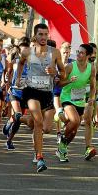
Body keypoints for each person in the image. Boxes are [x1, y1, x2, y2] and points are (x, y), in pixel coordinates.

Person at [16, 23, 65, 172]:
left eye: (46, 34)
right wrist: (18, 78)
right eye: (40, 34)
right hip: (31, 91)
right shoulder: (27, 52)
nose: (43, 37)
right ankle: (40, 157)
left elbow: (63, 74)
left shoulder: (55, 52)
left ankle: (19, 118)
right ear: (35, 36)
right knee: (38, 122)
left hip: (46, 93)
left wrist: (54, 73)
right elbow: (20, 64)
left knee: (46, 128)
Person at [56, 44, 96, 162]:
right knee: (75, 121)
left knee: (74, 130)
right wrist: (69, 80)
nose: (78, 54)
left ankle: (62, 147)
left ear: (88, 56)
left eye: (82, 53)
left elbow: (93, 86)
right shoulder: (70, 66)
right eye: (78, 52)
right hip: (67, 97)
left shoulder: (91, 68)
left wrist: (92, 98)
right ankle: (62, 140)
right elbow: (59, 84)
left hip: (80, 100)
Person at [3, 38, 33, 150]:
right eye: (23, 49)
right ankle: (9, 123)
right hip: (14, 92)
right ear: (19, 51)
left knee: (18, 121)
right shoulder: (15, 61)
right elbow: (8, 74)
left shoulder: (32, 63)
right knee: (18, 114)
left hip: (26, 94)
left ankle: (9, 139)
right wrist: (7, 86)